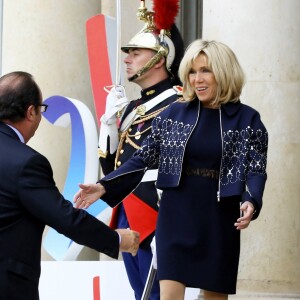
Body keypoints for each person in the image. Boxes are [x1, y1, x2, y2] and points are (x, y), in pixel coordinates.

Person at [74, 39, 268, 300]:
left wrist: (252, 199)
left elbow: (256, 168)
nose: (197, 79)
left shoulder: (248, 119)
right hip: (175, 215)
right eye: (192, 71)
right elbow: (142, 159)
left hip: (220, 216)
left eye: (205, 70)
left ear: (224, 72)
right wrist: (104, 185)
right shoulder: (174, 114)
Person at [0, 71, 140, 300]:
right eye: (41, 110)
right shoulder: (26, 162)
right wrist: (116, 239)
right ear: (30, 112)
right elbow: (65, 219)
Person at [97, 1, 184, 299]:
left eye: (136, 53)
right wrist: (108, 126)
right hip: (127, 208)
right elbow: (111, 170)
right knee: (140, 293)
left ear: (159, 59)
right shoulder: (133, 108)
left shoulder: (179, 105)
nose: (127, 60)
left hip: (158, 211)